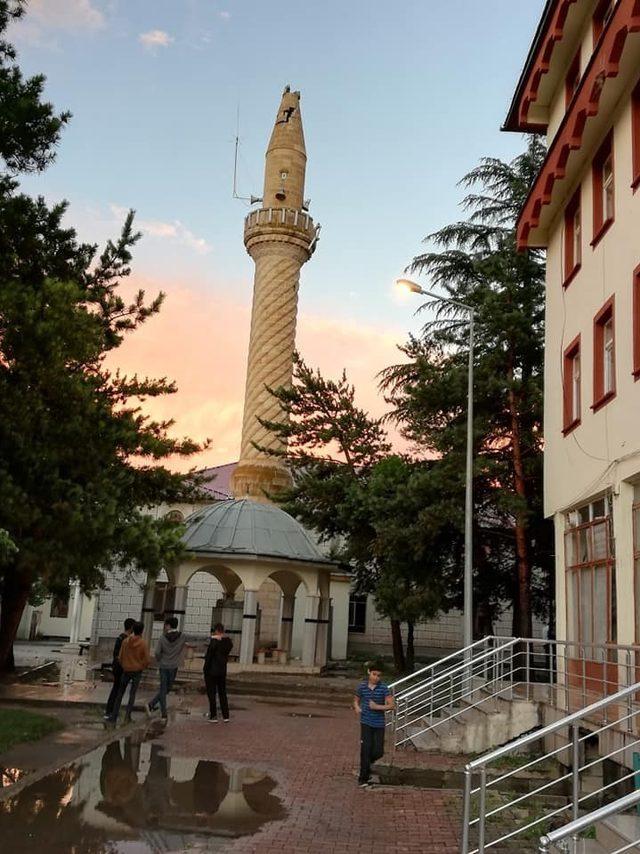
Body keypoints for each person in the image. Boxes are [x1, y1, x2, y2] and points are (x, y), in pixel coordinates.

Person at [353, 661, 394, 787]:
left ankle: (366, 765)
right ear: (369, 672)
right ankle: (363, 778)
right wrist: (356, 707)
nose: (376, 677)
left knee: (378, 751)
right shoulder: (362, 687)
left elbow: (392, 705)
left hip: (379, 724)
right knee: (365, 749)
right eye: (374, 674)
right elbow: (356, 700)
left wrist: (377, 706)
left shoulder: (384, 688)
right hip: (366, 722)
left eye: (378, 675)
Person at [108, 621, 151, 724]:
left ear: (133, 630)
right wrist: (142, 666)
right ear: (142, 631)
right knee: (132, 694)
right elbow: (147, 660)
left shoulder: (125, 641)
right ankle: (127, 717)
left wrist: (125, 665)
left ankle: (113, 716)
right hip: (137, 671)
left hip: (126, 670)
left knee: (120, 694)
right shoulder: (143, 643)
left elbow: (120, 657)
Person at [146, 616, 187, 721]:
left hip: (164, 665)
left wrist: (160, 659)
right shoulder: (182, 636)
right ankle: (153, 706)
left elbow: (157, 653)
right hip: (174, 666)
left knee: (163, 689)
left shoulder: (162, 638)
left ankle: (159, 710)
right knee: (167, 688)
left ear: (168, 625)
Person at [104, 618, 135, 721]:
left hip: (116, 666)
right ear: (131, 627)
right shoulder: (126, 640)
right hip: (121, 667)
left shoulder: (120, 637)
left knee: (116, 689)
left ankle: (110, 711)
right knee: (118, 690)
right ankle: (111, 711)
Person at [203, 623, 233, 722]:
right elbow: (228, 645)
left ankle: (213, 715)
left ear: (216, 631)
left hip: (211, 671)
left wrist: (205, 669)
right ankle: (226, 716)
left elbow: (209, 657)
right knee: (222, 693)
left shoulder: (214, 642)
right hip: (222, 670)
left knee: (211, 694)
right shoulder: (227, 643)